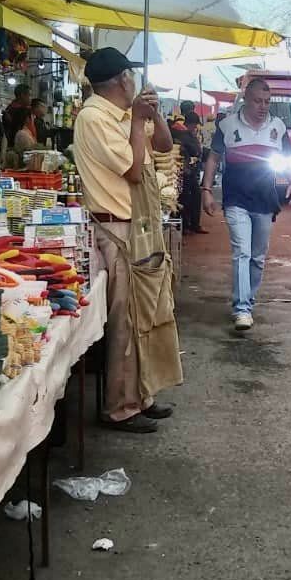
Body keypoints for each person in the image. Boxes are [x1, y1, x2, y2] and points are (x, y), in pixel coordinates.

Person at [73, 48, 181, 434]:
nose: (134, 81)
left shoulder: (123, 115)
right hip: (116, 229)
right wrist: (138, 120)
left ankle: (142, 394)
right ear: (122, 79)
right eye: (130, 76)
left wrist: (155, 115)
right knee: (125, 322)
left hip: (139, 225)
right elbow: (135, 171)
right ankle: (120, 406)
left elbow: (164, 147)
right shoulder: (93, 118)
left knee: (147, 314)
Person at [201, 78, 291, 331]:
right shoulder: (227, 125)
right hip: (235, 199)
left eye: (267, 102)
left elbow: (288, 157)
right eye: (258, 101)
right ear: (245, 98)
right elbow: (213, 158)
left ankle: (248, 301)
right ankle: (241, 309)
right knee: (242, 252)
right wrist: (207, 190)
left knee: (257, 257)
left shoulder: (278, 126)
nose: (263, 106)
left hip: (265, 200)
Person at [175, 111, 207, 235]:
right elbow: (195, 151)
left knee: (193, 196)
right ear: (190, 124)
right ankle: (187, 225)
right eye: (194, 125)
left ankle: (192, 224)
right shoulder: (184, 135)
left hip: (190, 170)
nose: (195, 127)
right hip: (186, 170)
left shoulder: (187, 134)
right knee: (186, 198)